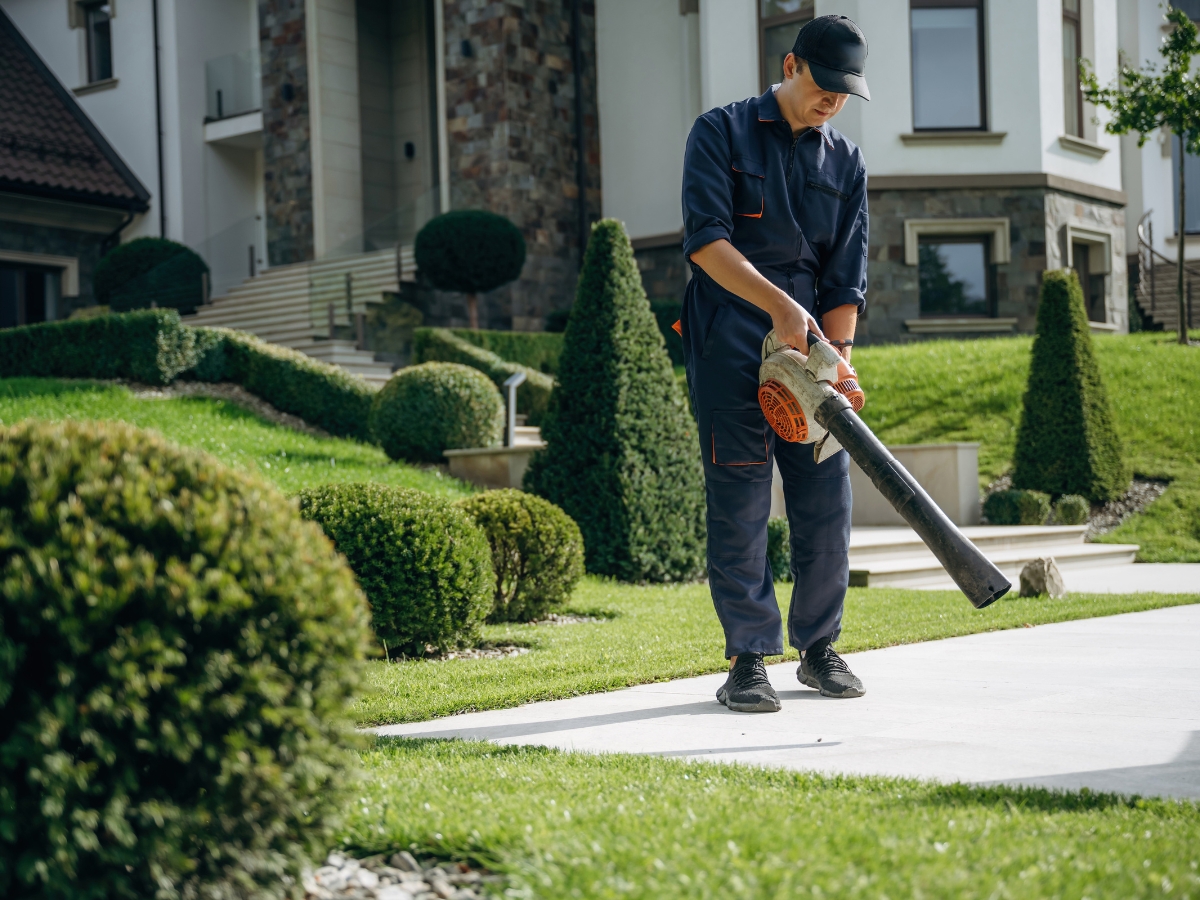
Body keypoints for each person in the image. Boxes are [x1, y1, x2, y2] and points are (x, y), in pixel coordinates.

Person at [679, 15, 870, 713]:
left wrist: (839, 360)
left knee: (827, 498)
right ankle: (748, 660)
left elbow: (845, 278)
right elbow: (706, 242)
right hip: (730, 334)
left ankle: (819, 649)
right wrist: (779, 307)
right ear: (791, 66)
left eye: (845, 91)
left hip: (812, 349)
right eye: (824, 85)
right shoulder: (719, 132)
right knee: (740, 496)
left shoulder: (846, 164)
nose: (833, 100)